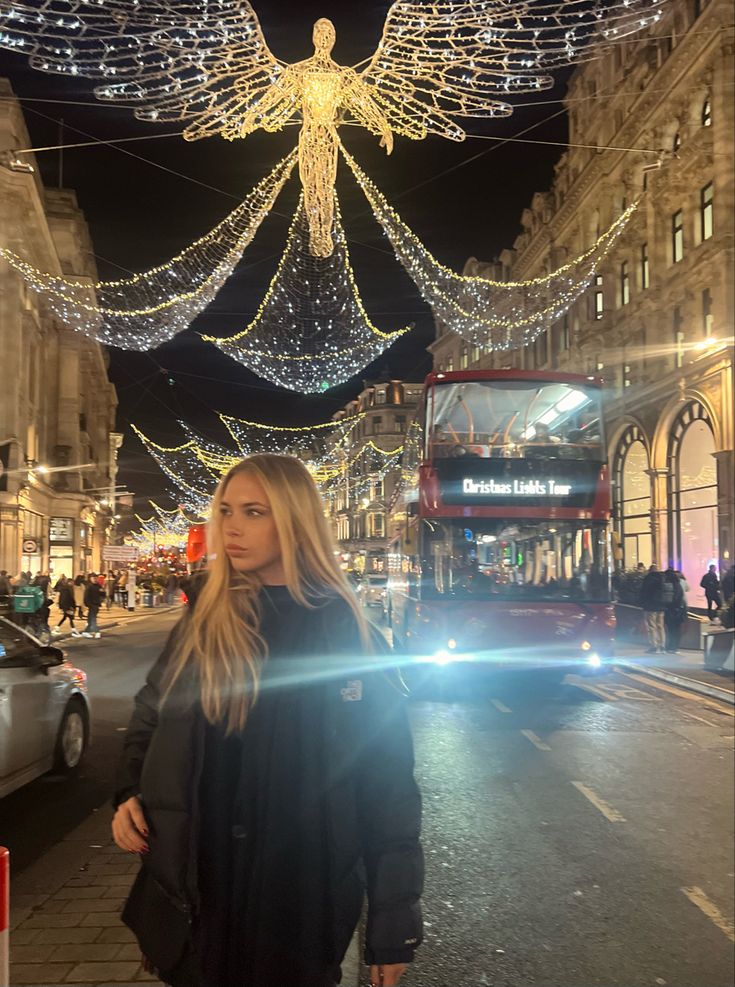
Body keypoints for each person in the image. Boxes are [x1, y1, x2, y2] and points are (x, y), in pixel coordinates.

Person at [111, 454, 423, 987]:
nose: (231, 527)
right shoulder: (206, 615)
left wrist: (392, 921)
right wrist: (128, 793)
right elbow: (150, 713)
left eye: (254, 511)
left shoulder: (343, 626)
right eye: (226, 510)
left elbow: (387, 782)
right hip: (199, 888)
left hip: (299, 893)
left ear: (295, 520)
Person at [639, 563, 666, 654]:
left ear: (650, 570)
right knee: (660, 626)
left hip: (651, 606)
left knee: (651, 626)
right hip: (661, 606)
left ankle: (654, 646)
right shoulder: (663, 578)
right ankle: (662, 645)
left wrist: (643, 603)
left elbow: (644, 592)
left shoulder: (648, 578)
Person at [663, 567, 686, 654]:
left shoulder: (671, 585)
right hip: (677, 610)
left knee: (672, 629)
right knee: (675, 629)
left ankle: (672, 646)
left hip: (672, 610)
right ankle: (673, 646)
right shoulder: (678, 585)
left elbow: (674, 598)